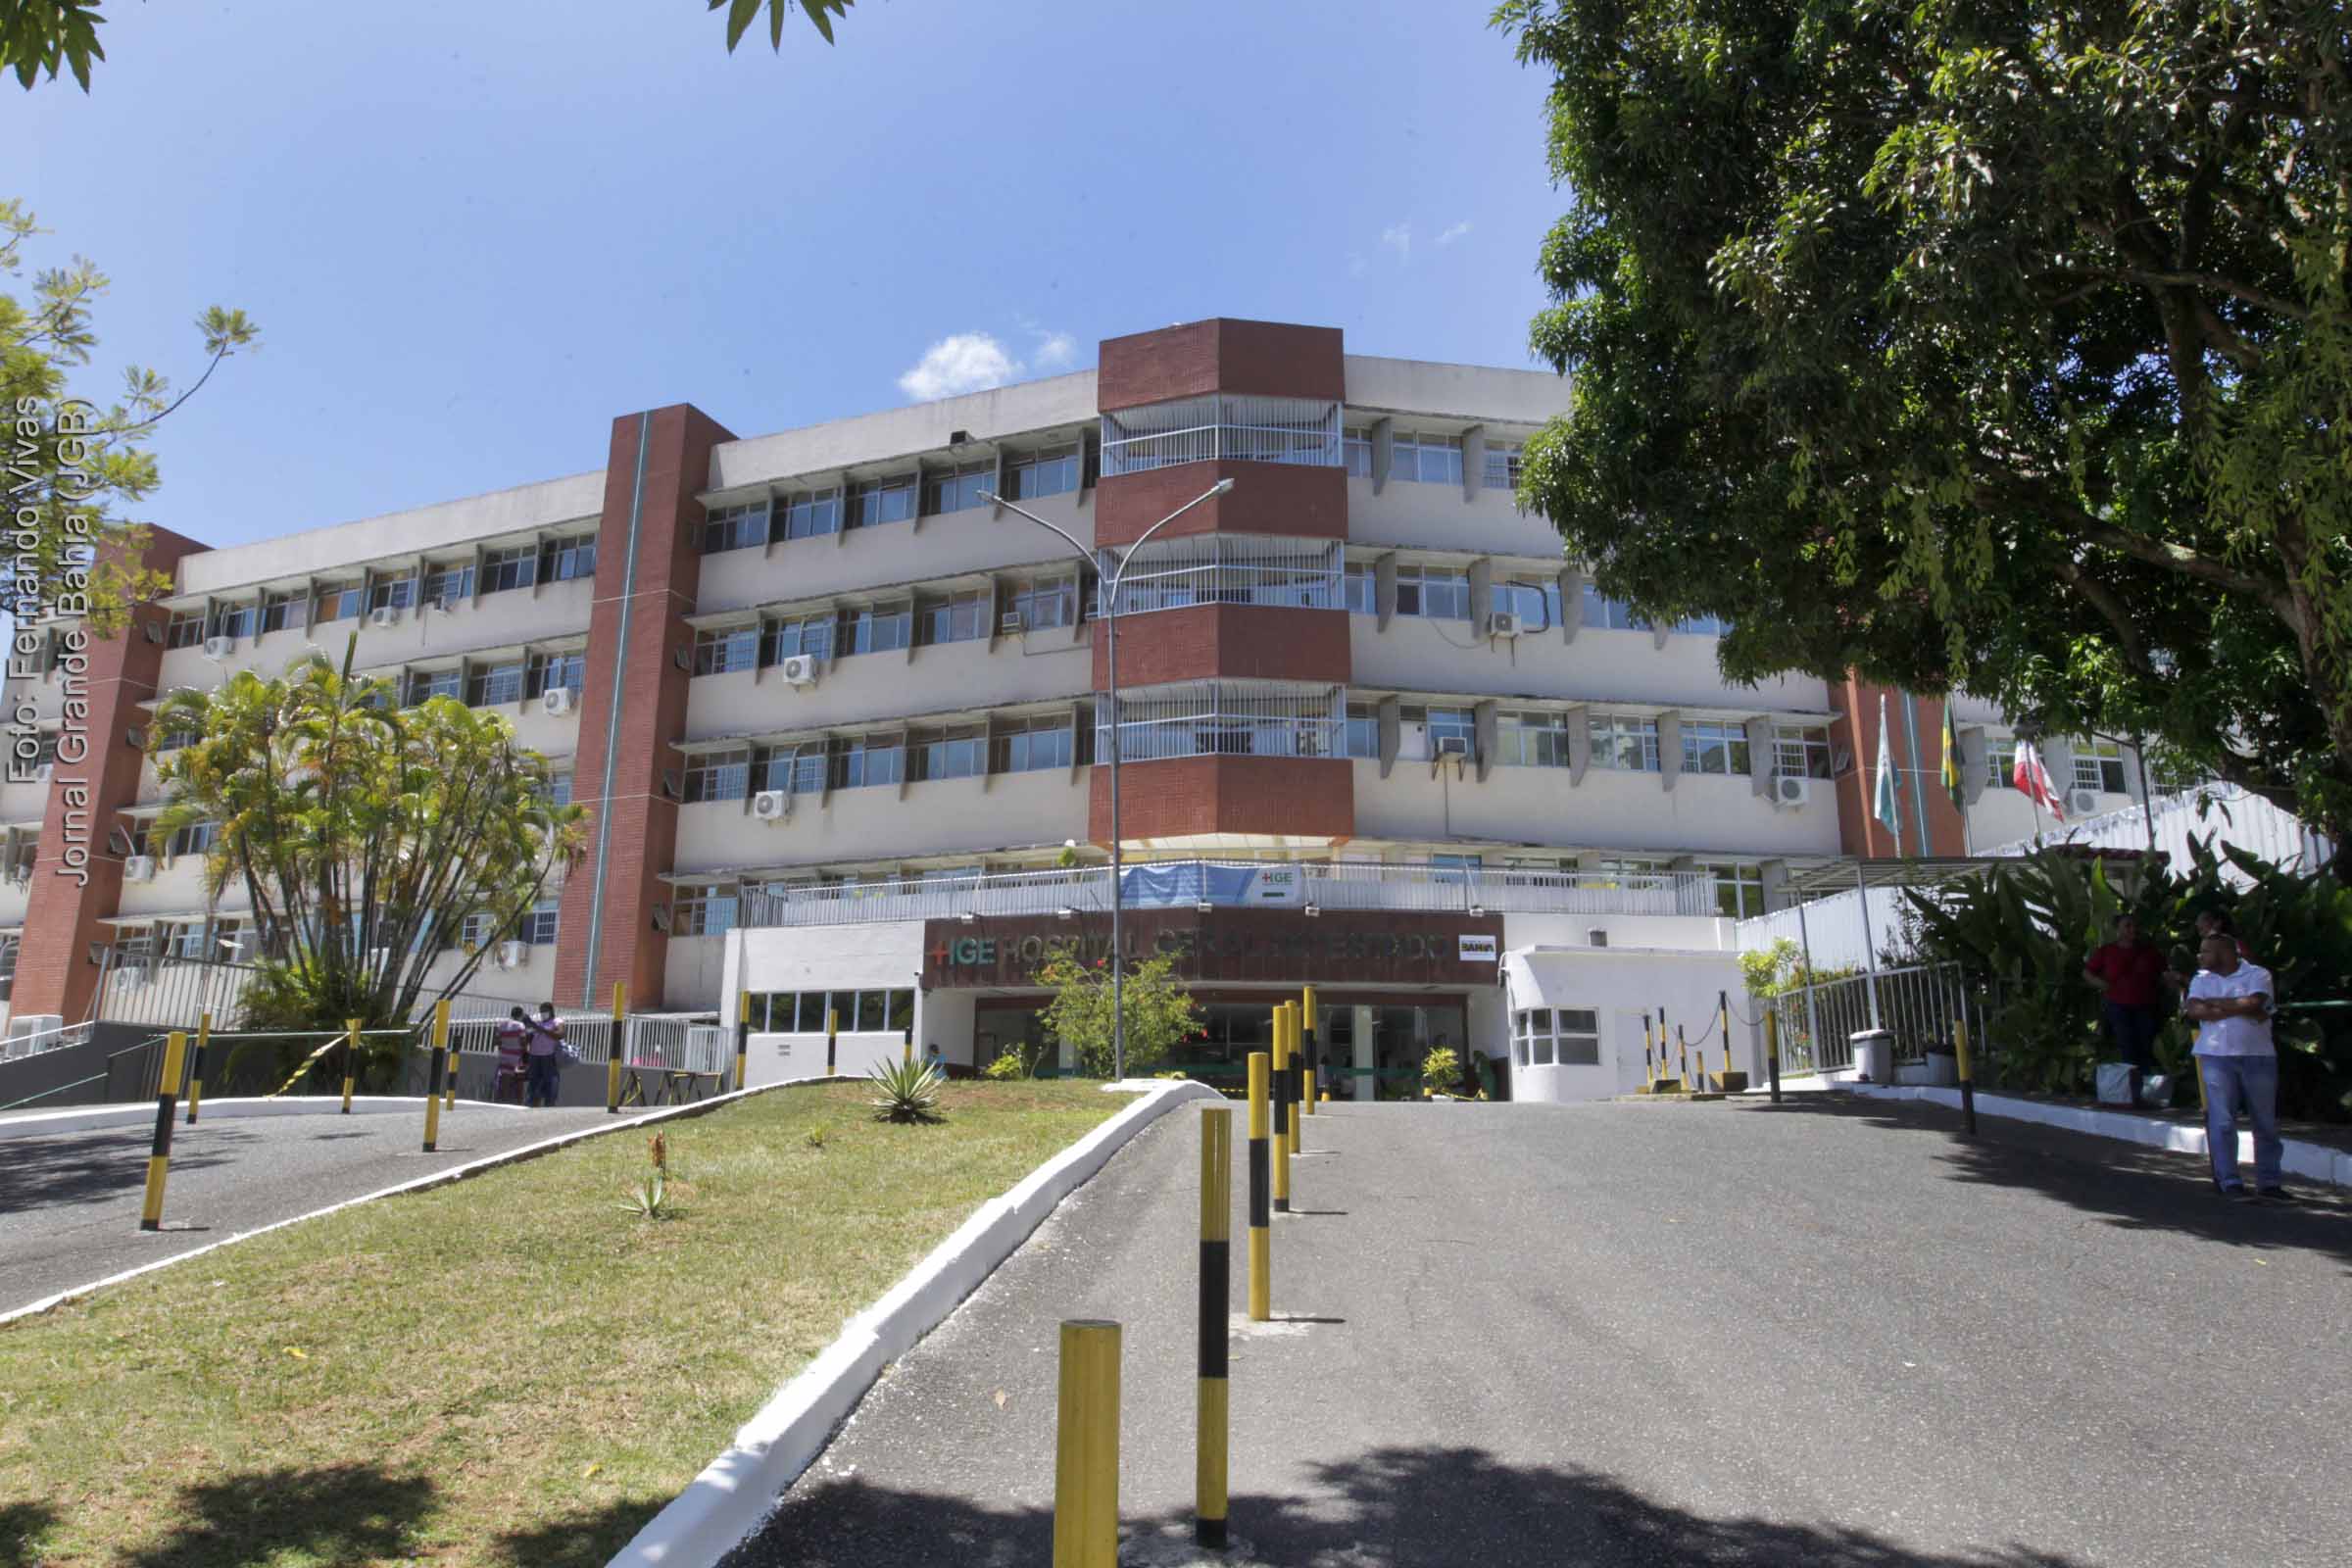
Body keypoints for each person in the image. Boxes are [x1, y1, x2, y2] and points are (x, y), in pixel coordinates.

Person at [2183, 931, 2290, 1201]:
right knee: (2222, 1122)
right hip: (2216, 1056)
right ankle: (2229, 1180)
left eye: (2206, 951)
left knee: (2265, 1123)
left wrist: (2215, 1004)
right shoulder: (2201, 979)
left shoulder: (2257, 974)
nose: (2200, 956)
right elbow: (2194, 1010)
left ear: (2224, 953)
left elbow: (2256, 1003)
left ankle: (2269, 1182)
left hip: (2258, 1056)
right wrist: (2240, 1007)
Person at [2083, 913, 2165, 1071]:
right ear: (2117, 929)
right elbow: (2087, 972)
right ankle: (2130, 1081)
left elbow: (2163, 973)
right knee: (2126, 1045)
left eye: (2134, 925)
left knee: (2147, 1045)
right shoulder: (2107, 951)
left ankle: (2145, 1080)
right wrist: (2101, 984)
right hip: (2118, 1006)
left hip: (2145, 1005)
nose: (2133, 929)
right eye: (2127, 926)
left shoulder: (2148, 951)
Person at [523, 1003, 564, 1108]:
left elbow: (560, 1035)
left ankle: (549, 1104)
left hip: (548, 1056)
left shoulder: (557, 1021)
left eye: (545, 1011)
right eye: (541, 1011)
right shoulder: (538, 1023)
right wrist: (528, 1027)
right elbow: (529, 1038)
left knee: (550, 1082)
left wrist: (540, 1028)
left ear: (551, 1011)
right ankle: (531, 1104)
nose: (542, 1013)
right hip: (534, 1056)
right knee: (534, 1082)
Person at [494, 1006, 530, 1104]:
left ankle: (504, 1100)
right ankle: (519, 1102)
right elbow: (523, 1041)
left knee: (505, 1078)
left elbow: (497, 1041)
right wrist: (526, 1053)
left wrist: (503, 1047)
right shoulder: (520, 1026)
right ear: (521, 1015)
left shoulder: (502, 1025)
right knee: (519, 1079)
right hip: (516, 1055)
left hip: (504, 1054)